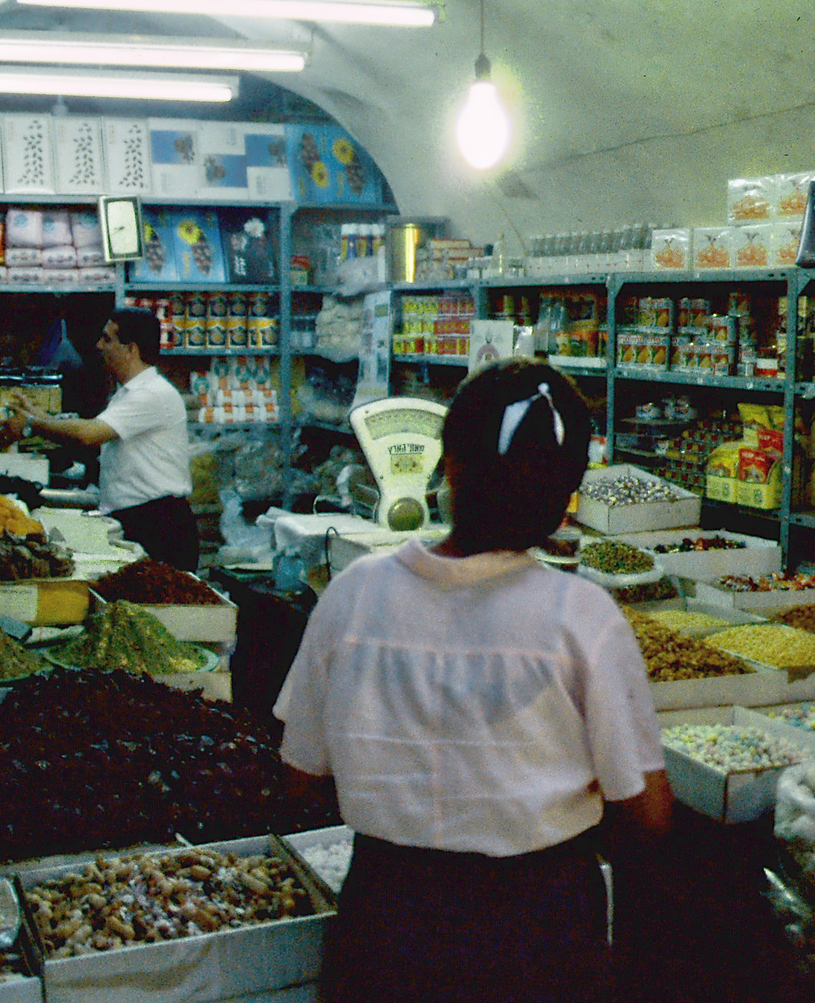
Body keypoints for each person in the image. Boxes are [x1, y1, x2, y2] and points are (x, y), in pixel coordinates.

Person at [274, 358, 672, 1003]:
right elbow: (647, 811)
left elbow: (301, 774)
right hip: (538, 930)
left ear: (447, 461)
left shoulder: (354, 596)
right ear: (568, 498)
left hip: (387, 923)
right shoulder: (583, 618)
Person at [0, 306, 199, 571]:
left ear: (131, 349)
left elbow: (89, 435)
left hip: (159, 525)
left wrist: (32, 425)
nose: (98, 346)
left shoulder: (152, 394)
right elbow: (93, 428)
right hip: (137, 518)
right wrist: (41, 416)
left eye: (108, 339)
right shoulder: (128, 393)